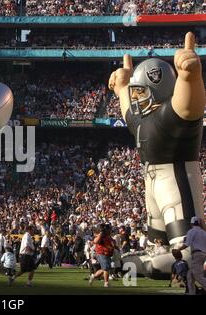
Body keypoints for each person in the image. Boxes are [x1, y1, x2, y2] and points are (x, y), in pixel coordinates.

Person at [108, 32, 205, 276]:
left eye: (141, 91)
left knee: (185, 251)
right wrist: (121, 87)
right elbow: (129, 109)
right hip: (153, 183)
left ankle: (180, 265)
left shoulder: (168, 116)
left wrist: (189, 79)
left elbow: (188, 108)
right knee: (156, 245)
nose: (135, 96)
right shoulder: (143, 118)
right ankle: (158, 252)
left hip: (176, 180)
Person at [178, 217, 206, 294]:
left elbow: (187, 244)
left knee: (198, 276)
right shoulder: (204, 232)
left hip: (197, 254)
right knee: (190, 275)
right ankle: (191, 292)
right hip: (203, 254)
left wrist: (178, 250)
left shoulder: (191, 231)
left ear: (192, 223)